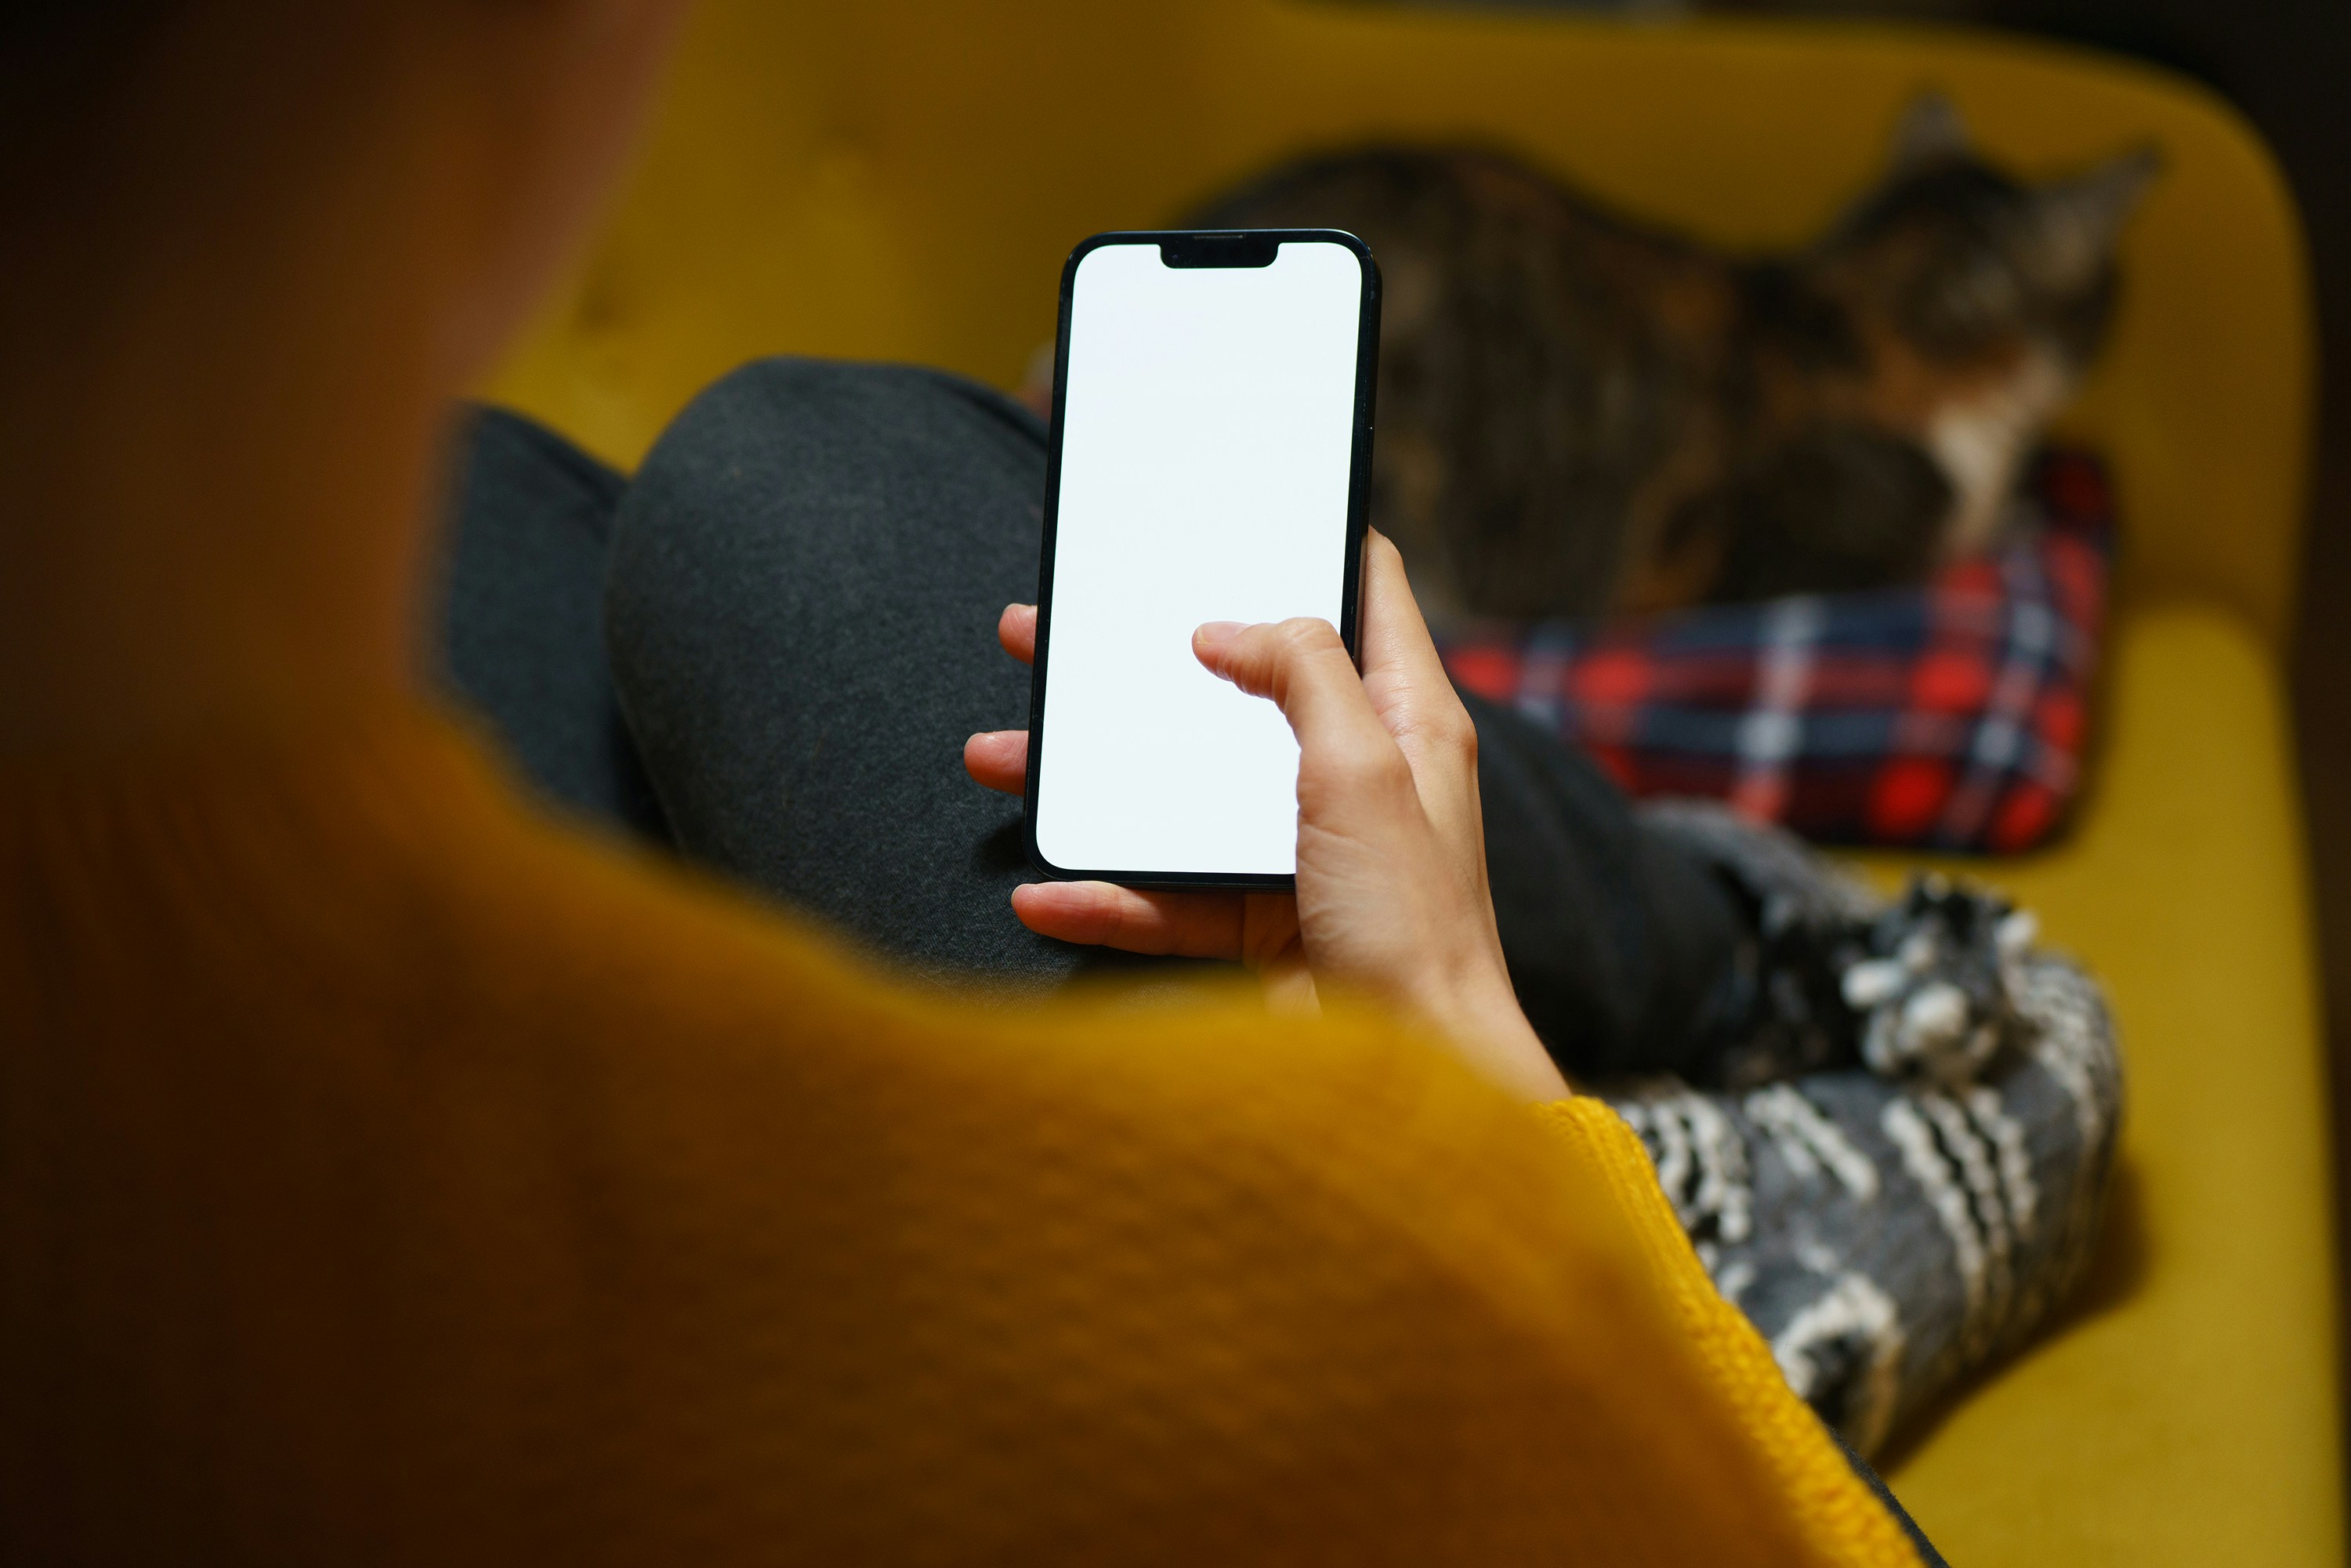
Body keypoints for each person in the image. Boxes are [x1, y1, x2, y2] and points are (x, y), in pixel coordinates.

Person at [0, 2, 1946, 1562]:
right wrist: (1461, 1054)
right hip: (1339, 1248)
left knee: (512, 520)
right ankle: (1752, 959)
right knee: (790, 477)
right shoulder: (1404, 1295)